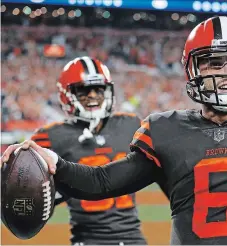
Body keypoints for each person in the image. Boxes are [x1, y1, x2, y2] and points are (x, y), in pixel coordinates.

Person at [2, 16, 227, 245]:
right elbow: (102, 183)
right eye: (214, 62)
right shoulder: (165, 130)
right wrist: (57, 164)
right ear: (192, 68)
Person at [29, 56, 167, 245]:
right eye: (84, 90)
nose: (93, 95)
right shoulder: (50, 136)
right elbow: (24, 185)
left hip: (133, 239)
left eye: (98, 89)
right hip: (89, 240)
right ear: (66, 94)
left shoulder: (131, 124)